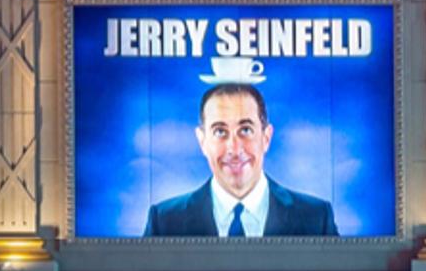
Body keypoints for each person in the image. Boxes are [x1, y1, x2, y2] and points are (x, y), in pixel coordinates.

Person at [145, 71, 340, 237]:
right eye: (220, 131)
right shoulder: (164, 222)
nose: (234, 148)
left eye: (245, 130)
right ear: (202, 141)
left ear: (266, 138)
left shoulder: (316, 219)